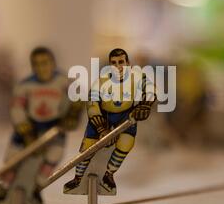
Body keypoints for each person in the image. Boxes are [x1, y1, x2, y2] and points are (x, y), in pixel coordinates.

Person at [0, 46, 82, 204]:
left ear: (53, 63)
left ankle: (35, 189)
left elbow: (78, 98)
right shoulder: (25, 85)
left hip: (54, 128)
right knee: (12, 159)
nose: (41, 67)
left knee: (53, 157)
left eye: (45, 63)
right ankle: (4, 189)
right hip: (29, 127)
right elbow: (17, 109)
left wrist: (73, 115)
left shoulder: (63, 82)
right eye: (36, 64)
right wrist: (25, 130)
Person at [64, 48, 155, 193]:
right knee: (87, 148)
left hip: (125, 116)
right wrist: (101, 128)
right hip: (102, 117)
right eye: (113, 63)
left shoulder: (137, 77)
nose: (118, 66)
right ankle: (78, 178)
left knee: (127, 143)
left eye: (121, 62)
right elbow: (92, 103)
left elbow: (151, 89)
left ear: (128, 63)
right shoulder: (101, 81)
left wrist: (145, 105)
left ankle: (109, 175)